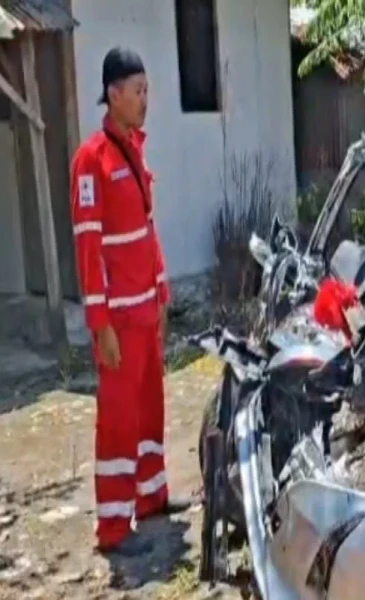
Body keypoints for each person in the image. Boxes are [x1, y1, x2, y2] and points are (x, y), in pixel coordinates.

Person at [70, 47, 190, 556]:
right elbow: (88, 247)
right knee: (118, 421)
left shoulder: (135, 151)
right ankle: (114, 528)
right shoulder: (91, 161)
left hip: (146, 311)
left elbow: (145, 228)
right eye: (137, 91)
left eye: (147, 90)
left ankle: (151, 497)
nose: (145, 100)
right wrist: (100, 323)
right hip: (118, 318)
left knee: (148, 409)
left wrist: (162, 290)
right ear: (113, 94)